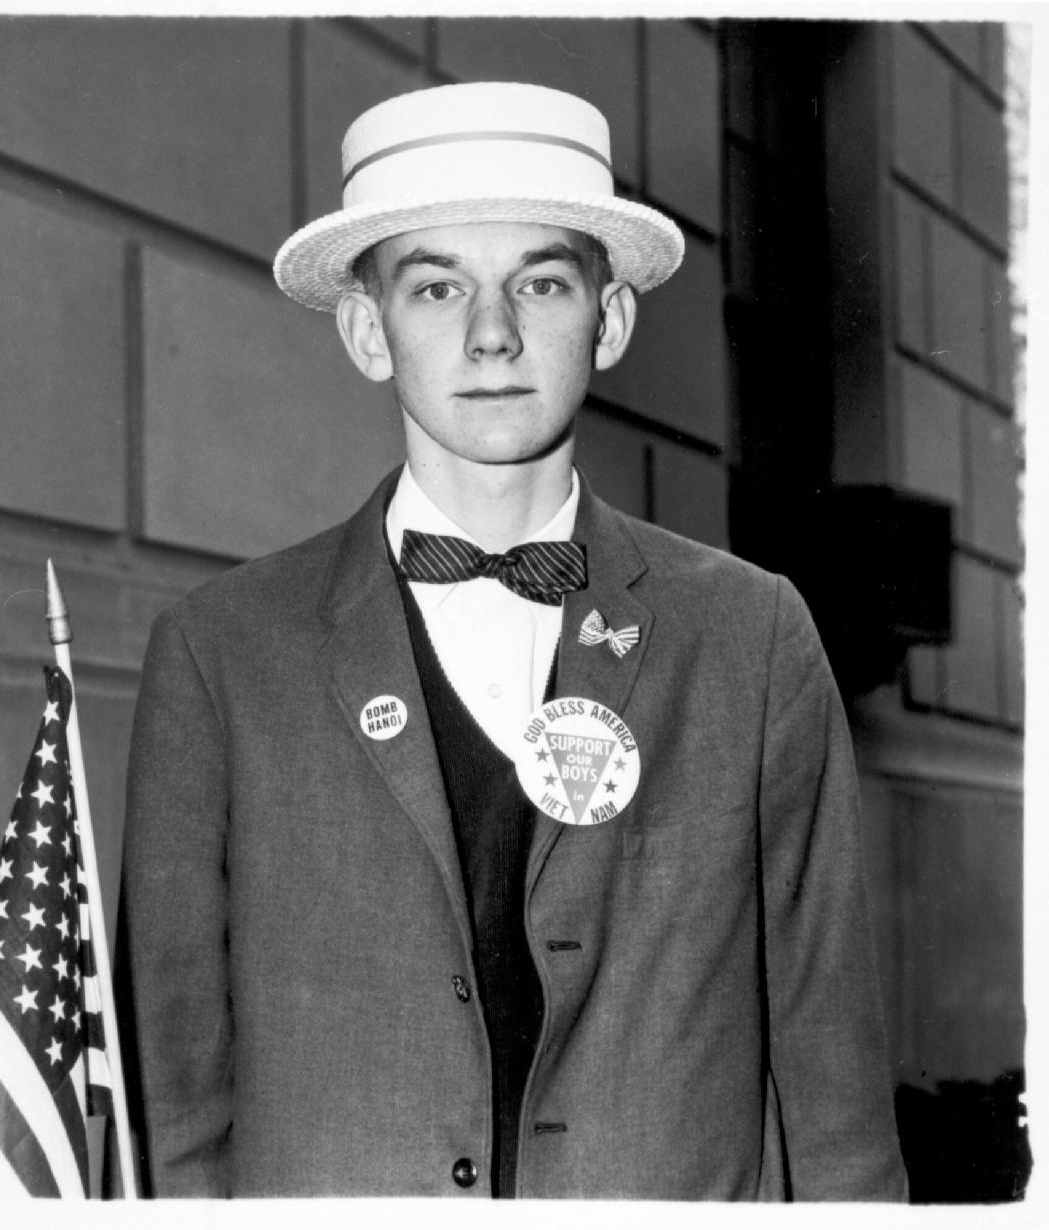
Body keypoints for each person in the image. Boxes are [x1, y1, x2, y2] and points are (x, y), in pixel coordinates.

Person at [117, 81, 909, 1200]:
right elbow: (171, 1109)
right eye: (436, 287)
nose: (492, 334)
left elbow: (835, 1096)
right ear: (366, 330)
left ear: (611, 317)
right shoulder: (222, 653)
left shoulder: (750, 639)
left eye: (540, 281)